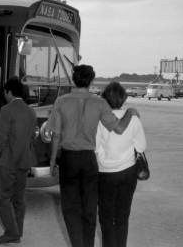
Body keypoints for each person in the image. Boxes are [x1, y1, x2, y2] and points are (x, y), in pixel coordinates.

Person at [48, 65, 139, 247]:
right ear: (91, 81)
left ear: (74, 80)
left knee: (70, 209)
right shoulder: (99, 103)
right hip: (89, 160)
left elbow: (56, 135)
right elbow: (119, 128)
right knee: (89, 208)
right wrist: (129, 112)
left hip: (69, 159)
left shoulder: (61, 101)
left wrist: (52, 162)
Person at [95, 82, 146, 247]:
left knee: (106, 217)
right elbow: (141, 146)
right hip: (127, 172)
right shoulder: (134, 119)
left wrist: (104, 159)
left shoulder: (100, 119)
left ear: (105, 99)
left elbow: (95, 148)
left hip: (104, 174)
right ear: (124, 98)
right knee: (122, 217)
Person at [0, 77, 37, 244]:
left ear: (9, 92)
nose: (4, 95)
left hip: (6, 161)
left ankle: (11, 232)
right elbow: (32, 137)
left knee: (4, 198)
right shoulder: (31, 111)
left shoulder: (6, 110)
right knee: (19, 199)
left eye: (5, 92)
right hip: (24, 160)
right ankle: (18, 231)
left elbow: (1, 138)